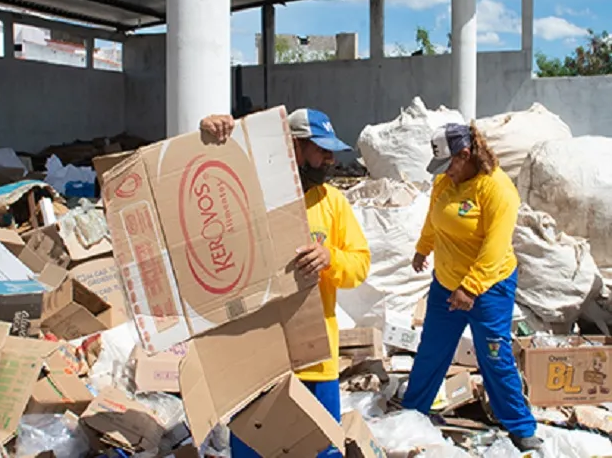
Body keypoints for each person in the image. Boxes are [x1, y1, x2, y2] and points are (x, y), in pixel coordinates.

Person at [200, 109, 371, 458]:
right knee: (253, 449)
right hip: (259, 359)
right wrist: (209, 139)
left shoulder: (332, 203)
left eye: (331, 150)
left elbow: (360, 265)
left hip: (315, 356)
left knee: (321, 450)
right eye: (321, 149)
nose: (330, 159)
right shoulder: (250, 195)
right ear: (293, 146)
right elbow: (201, 193)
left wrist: (330, 259)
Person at [403, 122, 542, 452]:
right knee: (432, 350)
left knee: (494, 356)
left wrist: (471, 288)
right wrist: (423, 247)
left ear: (465, 154)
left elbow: (495, 247)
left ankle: (520, 427)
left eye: (450, 164)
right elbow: (434, 218)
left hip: (489, 288)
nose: (445, 173)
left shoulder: (497, 190)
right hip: (446, 284)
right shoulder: (444, 182)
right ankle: (413, 412)